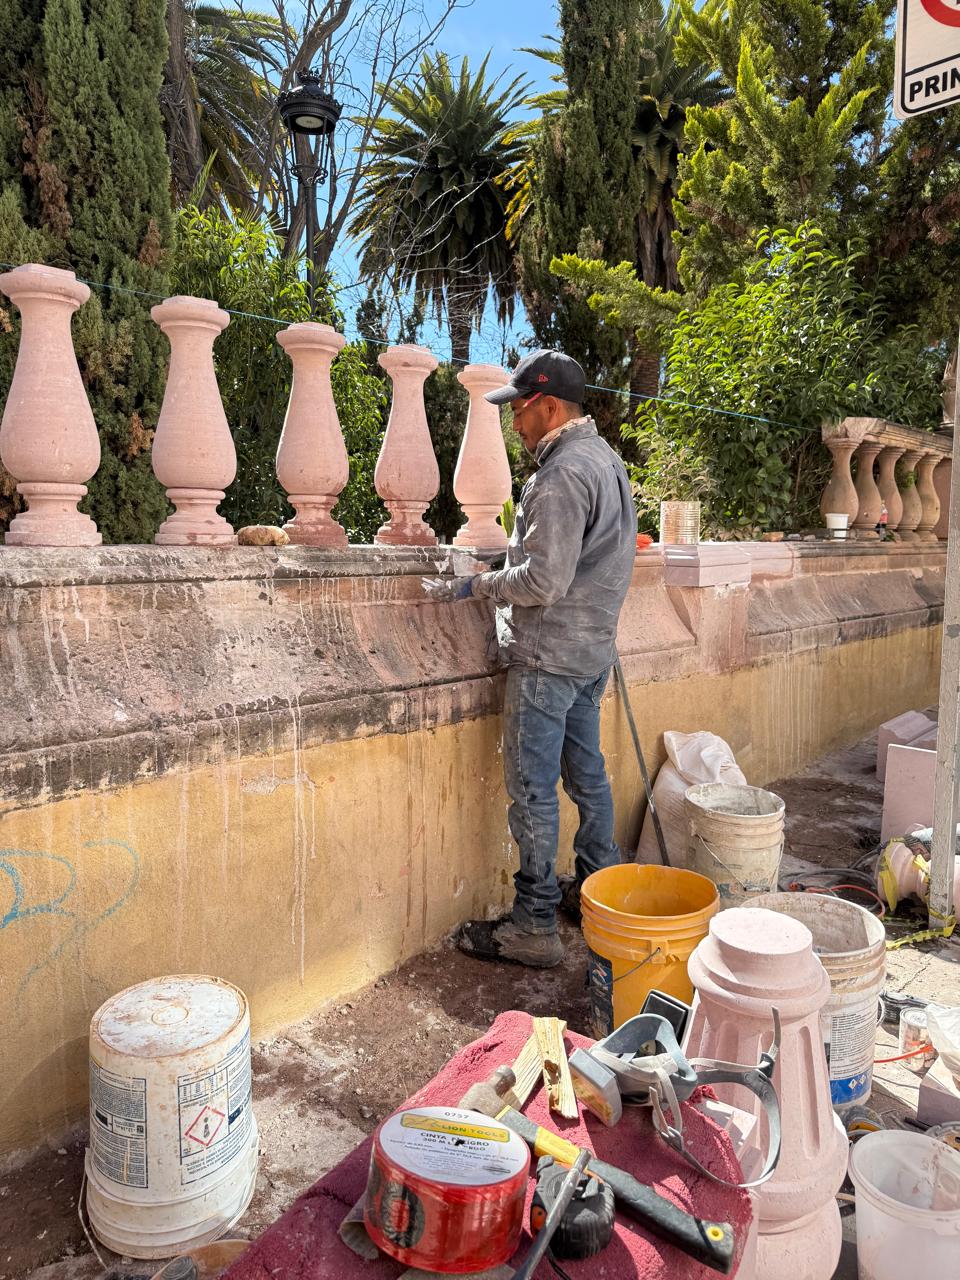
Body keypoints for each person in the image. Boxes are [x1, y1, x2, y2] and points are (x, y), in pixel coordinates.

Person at [423, 350, 637, 968]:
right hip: (591, 651)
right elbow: (575, 561)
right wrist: (499, 568)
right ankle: (600, 894)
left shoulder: (561, 473)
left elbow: (543, 582)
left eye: (518, 410)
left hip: (547, 657)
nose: (514, 424)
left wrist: (475, 585)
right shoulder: (606, 460)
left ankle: (535, 924)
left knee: (534, 791)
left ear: (547, 406)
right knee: (587, 776)